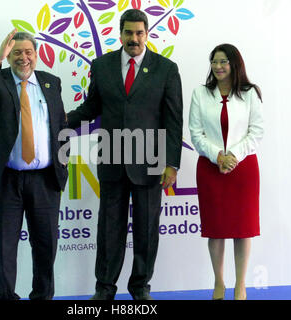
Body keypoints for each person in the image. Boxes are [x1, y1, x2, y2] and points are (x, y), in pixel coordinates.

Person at [66, 9, 183, 300]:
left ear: (147, 34)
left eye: (139, 33)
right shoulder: (102, 66)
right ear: (120, 33)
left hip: (150, 163)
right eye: (129, 33)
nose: (134, 38)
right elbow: (91, 108)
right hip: (112, 161)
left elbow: (173, 121)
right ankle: (104, 288)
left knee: (146, 231)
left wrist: (171, 164)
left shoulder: (166, 69)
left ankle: (140, 287)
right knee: (109, 229)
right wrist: (59, 119)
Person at [0, 29, 68, 300]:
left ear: (36, 55)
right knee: (4, 247)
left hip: (45, 180)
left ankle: (42, 296)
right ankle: (6, 296)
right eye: (16, 53)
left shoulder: (51, 82)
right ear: (8, 56)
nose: (23, 58)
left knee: (46, 247)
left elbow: (60, 126)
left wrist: (62, 165)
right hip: (6, 179)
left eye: (28, 52)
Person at [189, 44, 264, 300]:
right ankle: (219, 282)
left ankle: (240, 285)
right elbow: (195, 133)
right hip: (211, 168)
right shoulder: (200, 93)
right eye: (214, 61)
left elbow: (257, 132)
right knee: (216, 228)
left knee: (243, 229)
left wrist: (233, 156)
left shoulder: (250, 93)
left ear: (234, 64)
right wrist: (218, 156)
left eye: (223, 61)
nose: (218, 66)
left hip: (243, 169)